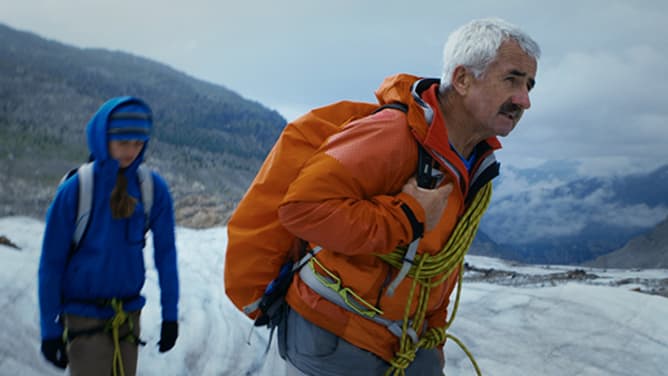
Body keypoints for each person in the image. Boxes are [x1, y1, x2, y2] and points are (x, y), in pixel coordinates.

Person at [275, 18, 540, 375]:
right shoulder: (391, 135)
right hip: (335, 340)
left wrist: (434, 335)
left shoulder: (471, 160)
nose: (523, 100)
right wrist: (407, 216)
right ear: (462, 79)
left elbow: (440, 261)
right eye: (512, 79)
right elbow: (301, 209)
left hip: (404, 340)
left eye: (529, 85)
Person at [38, 96, 180, 375]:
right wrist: (49, 329)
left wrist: (170, 316)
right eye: (122, 143)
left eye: (138, 143)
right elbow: (51, 263)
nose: (131, 151)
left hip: (128, 318)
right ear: (103, 138)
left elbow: (166, 255)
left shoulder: (152, 188)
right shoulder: (77, 189)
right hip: (83, 320)